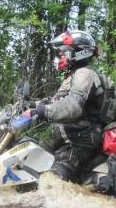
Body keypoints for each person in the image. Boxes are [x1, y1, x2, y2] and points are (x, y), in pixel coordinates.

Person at [24, 30, 110, 182]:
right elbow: (57, 101)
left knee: (51, 182)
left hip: (82, 140)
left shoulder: (85, 74)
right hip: (68, 136)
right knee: (32, 161)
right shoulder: (74, 75)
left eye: (64, 52)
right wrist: (31, 105)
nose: (60, 57)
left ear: (79, 52)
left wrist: (42, 111)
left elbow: (72, 106)